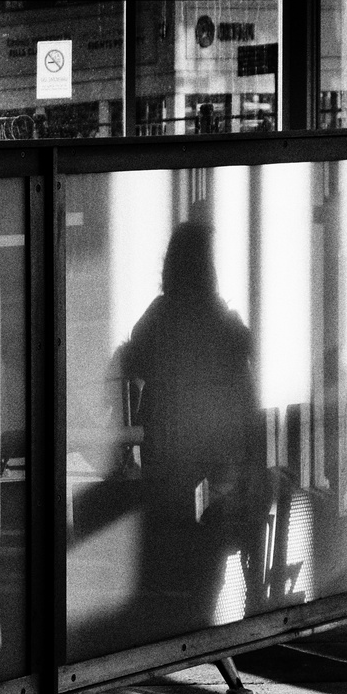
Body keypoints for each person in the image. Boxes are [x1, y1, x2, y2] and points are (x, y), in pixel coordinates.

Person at [103, 220, 270, 635]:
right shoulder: (223, 324)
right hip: (214, 482)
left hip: (166, 482)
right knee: (200, 585)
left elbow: (120, 368)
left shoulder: (160, 319)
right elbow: (248, 407)